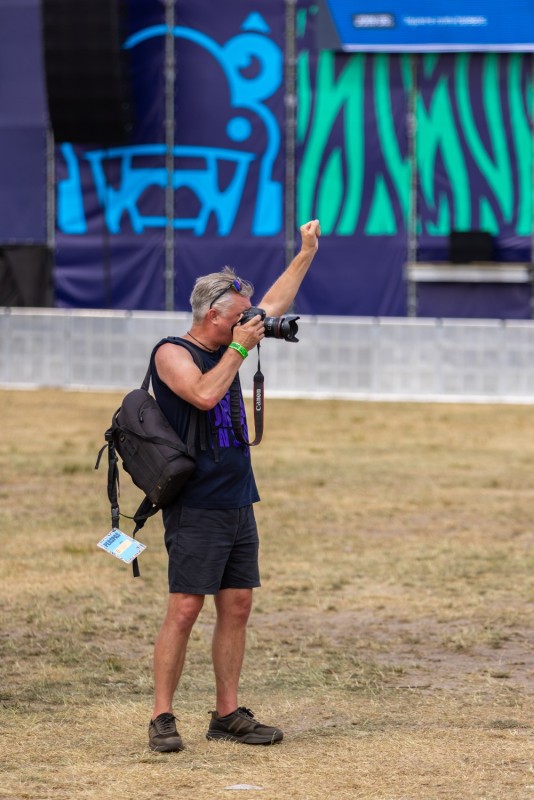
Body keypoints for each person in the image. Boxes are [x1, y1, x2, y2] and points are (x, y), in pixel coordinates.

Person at [147, 219, 321, 752]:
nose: (250, 320)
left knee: (238, 603)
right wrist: (240, 350)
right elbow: (202, 394)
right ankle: (162, 716)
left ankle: (227, 714)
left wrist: (306, 252)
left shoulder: (237, 334)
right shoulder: (172, 352)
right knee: (185, 607)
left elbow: (274, 297)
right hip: (195, 501)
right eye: (240, 315)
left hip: (237, 494)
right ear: (213, 315)